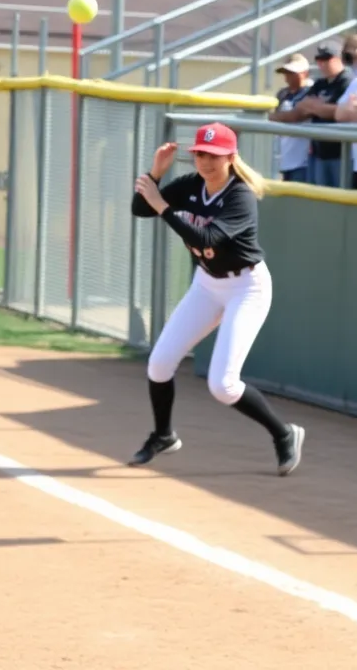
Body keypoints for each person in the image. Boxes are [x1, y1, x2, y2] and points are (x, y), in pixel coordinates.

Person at [129, 122, 305, 475]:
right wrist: (156, 173)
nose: (206, 161)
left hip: (246, 287)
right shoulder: (191, 185)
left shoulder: (239, 195)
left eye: (214, 155)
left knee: (223, 386)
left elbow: (206, 239)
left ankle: (284, 433)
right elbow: (140, 208)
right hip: (207, 284)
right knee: (159, 364)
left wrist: (163, 205)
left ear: (231, 158)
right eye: (200, 154)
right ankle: (163, 435)